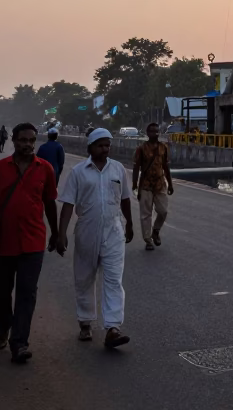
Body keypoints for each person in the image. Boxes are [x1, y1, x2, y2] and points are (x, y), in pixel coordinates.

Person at [0, 123, 65, 363]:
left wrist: (56, 233)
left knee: (27, 293)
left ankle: (19, 342)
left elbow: (50, 203)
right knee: (1, 292)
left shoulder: (44, 169)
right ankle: (3, 325)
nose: (28, 144)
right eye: (23, 140)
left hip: (33, 242)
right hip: (3, 242)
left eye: (32, 140)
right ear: (13, 140)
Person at [57, 127, 133, 348]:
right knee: (84, 279)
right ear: (90, 147)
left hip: (114, 231)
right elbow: (68, 205)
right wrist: (61, 234)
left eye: (107, 145)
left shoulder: (118, 170)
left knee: (113, 280)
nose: (105, 149)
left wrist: (129, 224)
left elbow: (126, 199)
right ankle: (85, 322)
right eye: (100, 145)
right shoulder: (79, 172)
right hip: (86, 232)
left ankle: (113, 328)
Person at [132, 122, 173, 252]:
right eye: (152, 131)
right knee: (146, 214)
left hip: (160, 184)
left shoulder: (163, 147)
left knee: (163, 211)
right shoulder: (141, 149)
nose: (155, 133)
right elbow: (136, 167)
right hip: (145, 185)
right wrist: (135, 185)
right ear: (147, 133)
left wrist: (170, 183)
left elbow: (166, 166)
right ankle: (148, 240)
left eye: (157, 131)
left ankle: (156, 230)